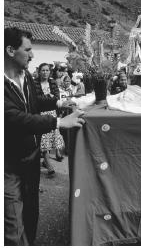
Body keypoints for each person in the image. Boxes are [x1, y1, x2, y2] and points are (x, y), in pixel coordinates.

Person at [4, 27, 85, 245]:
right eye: (28, 50)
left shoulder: (25, 77)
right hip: (8, 165)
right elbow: (15, 117)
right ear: (10, 50)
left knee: (30, 214)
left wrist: (59, 103)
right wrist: (58, 122)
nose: (32, 55)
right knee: (13, 225)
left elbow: (34, 103)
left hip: (30, 160)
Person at [34, 63, 65, 175]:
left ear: (50, 72)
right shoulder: (35, 83)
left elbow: (57, 97)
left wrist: (51, 99)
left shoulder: (52, 82)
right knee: (44, 139)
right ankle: (48, 164)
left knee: (53, 137)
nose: (45, 72)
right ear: (39, 71)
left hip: (52, 113)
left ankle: (48, 160)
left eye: (47, 70)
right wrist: (50, 98)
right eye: (43, 70)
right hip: (41, 114)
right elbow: (37, 99)